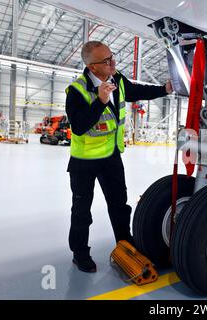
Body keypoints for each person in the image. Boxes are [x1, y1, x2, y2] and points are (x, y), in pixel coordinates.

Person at [65, 41, 172, 273]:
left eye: (112, 57)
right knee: (82, 211)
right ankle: (80, 253)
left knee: (119, 205)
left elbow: (137, 91)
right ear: (93, 67)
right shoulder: (77, 90)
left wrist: (164, 89)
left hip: (111, 156)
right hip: (84, 162)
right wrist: (100, 102)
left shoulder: (117, 79)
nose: (113, 62)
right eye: (106, 61)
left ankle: (125, 244)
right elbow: (79, 126)